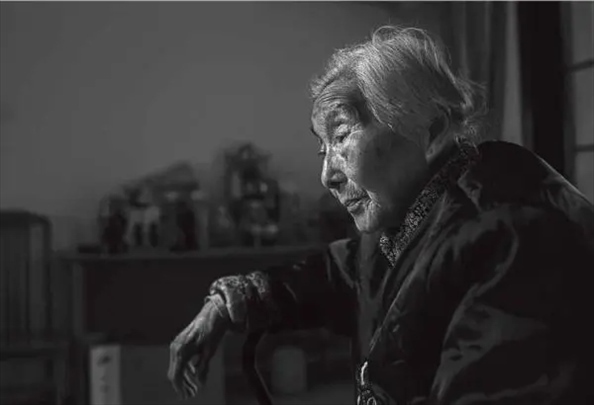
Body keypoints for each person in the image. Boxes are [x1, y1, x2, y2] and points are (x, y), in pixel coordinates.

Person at [168, 26, 594, 404]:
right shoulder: (412, 216)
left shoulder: (516, 235)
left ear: (430, 130)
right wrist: (226, 304)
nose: (327, 176)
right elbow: (340, 272)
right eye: (323, 148)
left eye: (341, 137)